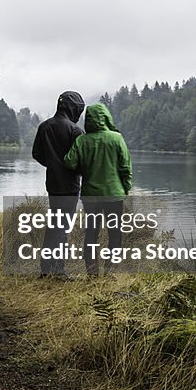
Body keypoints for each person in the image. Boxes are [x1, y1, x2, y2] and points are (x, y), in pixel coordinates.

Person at [63, 103, 132, 276]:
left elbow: (69, 162)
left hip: (90, 196)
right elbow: (125, 168)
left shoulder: (82, 140)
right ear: (107, 117)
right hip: (114, 195)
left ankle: (92, 274)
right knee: (115, 234)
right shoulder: (117, 138)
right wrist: (126, 188)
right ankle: (110, 273)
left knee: (91, 233)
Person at [32, 91, 85, 277]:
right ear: (74, 108)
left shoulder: (44, 126)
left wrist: (53, 165)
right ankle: (58, 271)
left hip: (52, 183)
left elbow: (37, 154)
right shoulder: (75, 131)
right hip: (70, 186)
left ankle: (46, 269)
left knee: (54, 225)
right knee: (62, 228)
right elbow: (82, 162)